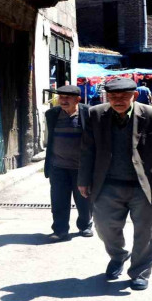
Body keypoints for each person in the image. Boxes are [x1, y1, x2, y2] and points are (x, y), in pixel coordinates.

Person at [78, 78, 152, 290]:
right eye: (113, 97)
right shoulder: (95, 114)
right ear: (107, 97)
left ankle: (140, 271)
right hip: (107, 185)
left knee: (146, 232)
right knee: (105, 227)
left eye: (124, 96)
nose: (118, 101)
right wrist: (83, 180)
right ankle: (118, 256)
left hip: (145, 186)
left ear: (134, 96)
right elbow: (87, 150)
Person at [43, 85, 93, 242]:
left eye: (67, 98)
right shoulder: (52, 114)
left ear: (78, 99)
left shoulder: (89, 113)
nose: (63, 100)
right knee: (58, 200)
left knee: (84, 200)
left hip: (81, 168)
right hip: (58, 167)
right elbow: (49, 140)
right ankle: (60, 230)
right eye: (61, 97)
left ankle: (85, 225)